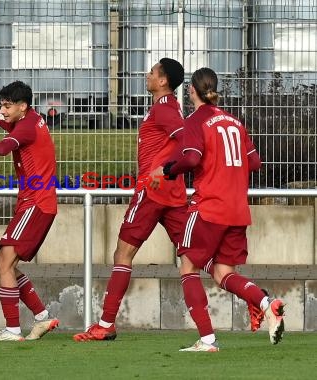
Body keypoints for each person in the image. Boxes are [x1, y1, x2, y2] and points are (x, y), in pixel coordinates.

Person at [151, 67, 285, 351]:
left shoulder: (196, 120)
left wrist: (168, 170)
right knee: (224, 272)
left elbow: (191, 158)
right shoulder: (235, 122)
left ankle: (207, 339)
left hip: (209, 207)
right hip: (237, 210)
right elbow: (255, 162)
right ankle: (266, 302)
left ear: (192, 92)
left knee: (188, 267)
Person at [72, 58, 189, 342]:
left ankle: (106, 324)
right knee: (193, 256)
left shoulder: (163, 109)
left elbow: (187, 140)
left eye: (152, 71)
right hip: (172, 193)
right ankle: (258, 300)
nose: (146, 74)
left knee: (122, 255)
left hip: (151, 191)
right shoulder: (168, 107)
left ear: (163, 81)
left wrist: (162, 171)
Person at [0, 81, 59, 341]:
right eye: (2, 105)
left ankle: (13, 329)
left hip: (36, 204)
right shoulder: (25, 119)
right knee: (8, 265)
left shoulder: (26, 126)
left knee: (3, 263)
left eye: (7, 106)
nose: (2, 111)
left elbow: (4, 148)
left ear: (22, 106)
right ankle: (42, 317)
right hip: (36, 203)